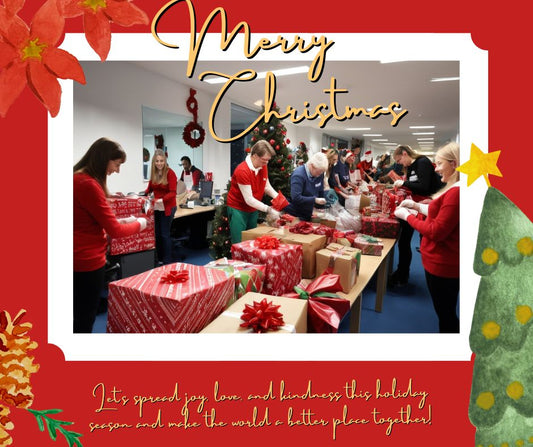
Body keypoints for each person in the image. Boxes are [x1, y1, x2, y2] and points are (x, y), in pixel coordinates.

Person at [74, 137, 147, 333]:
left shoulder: (77, 178)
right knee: (83, 318)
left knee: (78, 314)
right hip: (86, 261)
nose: (117, 170)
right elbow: (115, 231)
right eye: (116, 164)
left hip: (78, 258)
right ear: (103, 159)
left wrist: (118, 221)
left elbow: (86, 222)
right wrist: (140, 223)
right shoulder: (87, 184)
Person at [394, 142, 460, 332]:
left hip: (443, 263)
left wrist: (409, 216)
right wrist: (418, 207)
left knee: (446, 315)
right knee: (444, 312)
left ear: (454, 164)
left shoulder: (456, 191)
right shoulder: (451, 188)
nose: (436, 169)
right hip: (439, 262)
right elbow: (442, 213)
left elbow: (436, 231)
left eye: (439, 164)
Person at [389, 144, 445, 287]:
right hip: (416, 206)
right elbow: (415, 186)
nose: (400, 163)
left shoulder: (422, 162)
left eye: (399, 160)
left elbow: (424, 186)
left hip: (429, 207)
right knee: (403, 241)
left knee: (426, 242)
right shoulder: (411, 167)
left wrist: (404, 183)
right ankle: (402, 274)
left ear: (405, 153)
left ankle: (432, 277)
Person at [226, 140, 283, 243]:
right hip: (238, 209)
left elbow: (267, 187)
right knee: (240, 242)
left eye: (268, 160)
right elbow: (249, 199)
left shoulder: (263, 166)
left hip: (253, 208)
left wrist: (279, 199)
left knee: (252, 240)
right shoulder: (242, 171)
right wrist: (269, 209)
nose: (266, 163)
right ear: (255, 156)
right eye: (264, 160)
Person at [145, 148, 177, 265]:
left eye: (161, 161)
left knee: (164, 234)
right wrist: (144, 194)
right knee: (157, 234)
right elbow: (150, 188)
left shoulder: (170, 173)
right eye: (157, 161)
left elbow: (173, 192)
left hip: (167, 206)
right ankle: (159, 259)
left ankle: (167, 260)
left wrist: (161, 200)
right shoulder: (154, 173)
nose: (159, 163)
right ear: (154, 162)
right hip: (157, 207)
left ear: (165, 161)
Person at [284, 152, 328, 221]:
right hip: (296, 213)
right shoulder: (298, 175)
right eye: (318, 172)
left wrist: (321, 207)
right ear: (312, 166)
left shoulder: (319, 174)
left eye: (322, 172)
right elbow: (296, 198)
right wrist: (315, 200)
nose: (319, 174)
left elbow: (320, 191)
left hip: (310, 213)